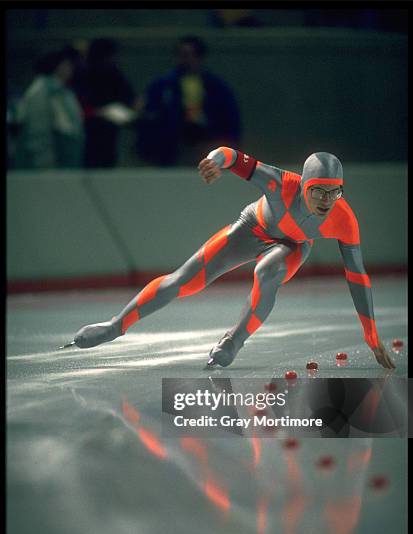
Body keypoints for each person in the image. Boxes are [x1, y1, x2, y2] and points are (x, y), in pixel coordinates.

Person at [66, 146, 395, 370]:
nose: (326, 200)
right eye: (318, 191)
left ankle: (233, 341)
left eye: (334, 191)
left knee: (269, 271)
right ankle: (114, 326)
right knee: (184, 281)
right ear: (304, 185)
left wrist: (370, 333)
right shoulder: (282, 183)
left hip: (292, 247)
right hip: (251, 227)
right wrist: (214, 161)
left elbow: (357, 275)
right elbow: (234, 157)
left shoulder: (344, 218)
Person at [137, 36, 241, 166]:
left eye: (191, 55)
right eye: (183, 55)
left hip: (207, 140)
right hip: (173, 142)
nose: (187, 60)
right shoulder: (164, 84)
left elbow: (229, 114)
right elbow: (149, 110)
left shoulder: (215, 86)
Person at [14, 48, 84, 170]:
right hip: (48, 165)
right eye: (67, 64)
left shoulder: (61, 91)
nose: (71, 68)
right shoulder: (41, 92)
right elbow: (38, 132)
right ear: (57, 66)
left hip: (65, 162)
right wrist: (45, 166)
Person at [79, 38, 139, 168]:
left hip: (105, 129)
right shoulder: (88, 74)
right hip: (91, 129)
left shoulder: (111, 74)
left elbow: (131, 98)